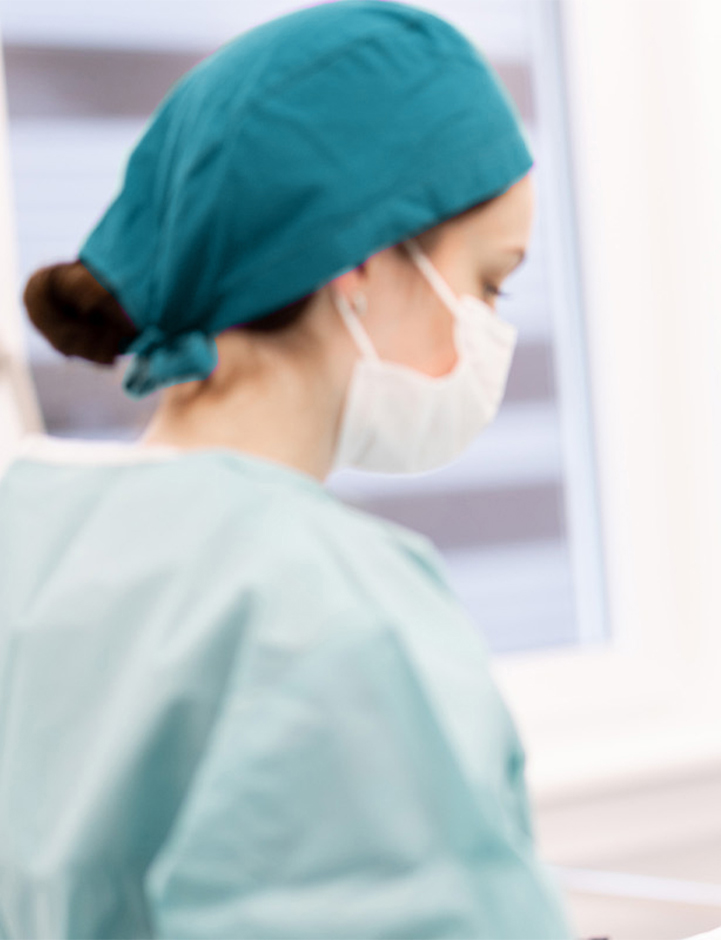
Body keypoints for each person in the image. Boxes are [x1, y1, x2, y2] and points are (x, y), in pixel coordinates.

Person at [0, 2, 570, 936]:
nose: (492, 328)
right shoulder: (322, 609)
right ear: (363, 261)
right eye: (488, 282)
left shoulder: (29, 533)